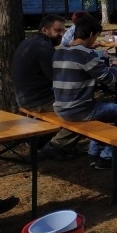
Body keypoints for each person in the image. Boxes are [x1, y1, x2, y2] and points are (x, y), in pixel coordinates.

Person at [52, 16, 117, 170]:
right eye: (96, 37)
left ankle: (94, 153)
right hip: (80, 110)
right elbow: (109, 79)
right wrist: (114, 65)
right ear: (91, 34)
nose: (95, 41)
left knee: (104, 112)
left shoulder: (60, 51)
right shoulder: (86, 54)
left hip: (60, 106)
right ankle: (107, 156)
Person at [13, 15, 80, 160]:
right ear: (44, 30)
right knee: (83, 110)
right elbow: (58, 78)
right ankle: (56, 145)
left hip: (25, 97)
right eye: (58, 30)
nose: (62, 34)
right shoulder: (43, 48)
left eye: (63, 30)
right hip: (37, 101)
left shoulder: (30, 42)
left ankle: (41, 140)